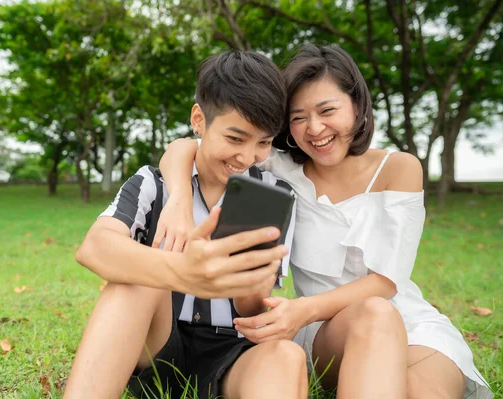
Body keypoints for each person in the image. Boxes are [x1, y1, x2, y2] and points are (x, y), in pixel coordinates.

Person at [156, 44, 493, 399]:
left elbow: (386, 282)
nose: (315, 129)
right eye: (298, 117)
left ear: (357, 106)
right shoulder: (280, 166)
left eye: (327, 110)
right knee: (373, 320)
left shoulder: (399, 168)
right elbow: (185, 146)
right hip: (323, 332)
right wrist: (178, 200)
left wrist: (301, 309)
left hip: (407, 323)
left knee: (421, 391)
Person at [63, 51, 308, 399]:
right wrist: (183, 271)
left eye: (264, 143)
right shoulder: (154, 183)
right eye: (235, 138)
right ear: (199, 120)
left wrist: (253, 279)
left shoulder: (272, 195)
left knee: (286, 356)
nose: (246, 157)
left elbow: (251, 310)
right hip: (158, 342)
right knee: (138, 278)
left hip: (232, 353)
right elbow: (94, 248)